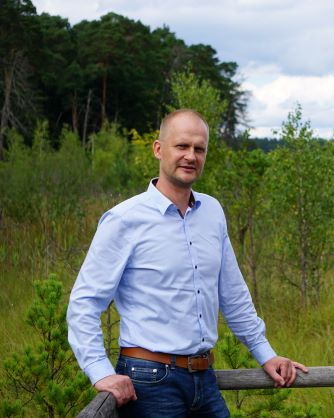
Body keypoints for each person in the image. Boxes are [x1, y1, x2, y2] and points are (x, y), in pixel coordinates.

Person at [67, 109, 307, 417]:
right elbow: (85, 302)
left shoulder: (212, 211)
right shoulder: (124, 220)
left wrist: (266, 354)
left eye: (199, 149)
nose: (190, 156)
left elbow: (232, 293)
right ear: (158, 149)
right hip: (149, 381)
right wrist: (99, 371)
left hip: (204, 378)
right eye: (182, 146)